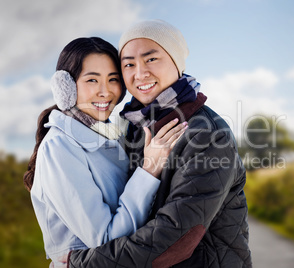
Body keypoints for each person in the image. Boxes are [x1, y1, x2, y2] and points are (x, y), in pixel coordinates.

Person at [68, 20, 252, 268]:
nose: (140, 73)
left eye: (151, 59)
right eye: (129, 64)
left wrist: (82, 263)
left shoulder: (207, 134)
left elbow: (174, 238)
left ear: (177, 63)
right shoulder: (134, 128)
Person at [23, 37, 187, 267]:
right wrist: (149, 170)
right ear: (66, 87)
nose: (105, 92)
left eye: (113, 79)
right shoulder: (59, 147)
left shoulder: (109, 136)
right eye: (92, 80)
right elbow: (104, 240)